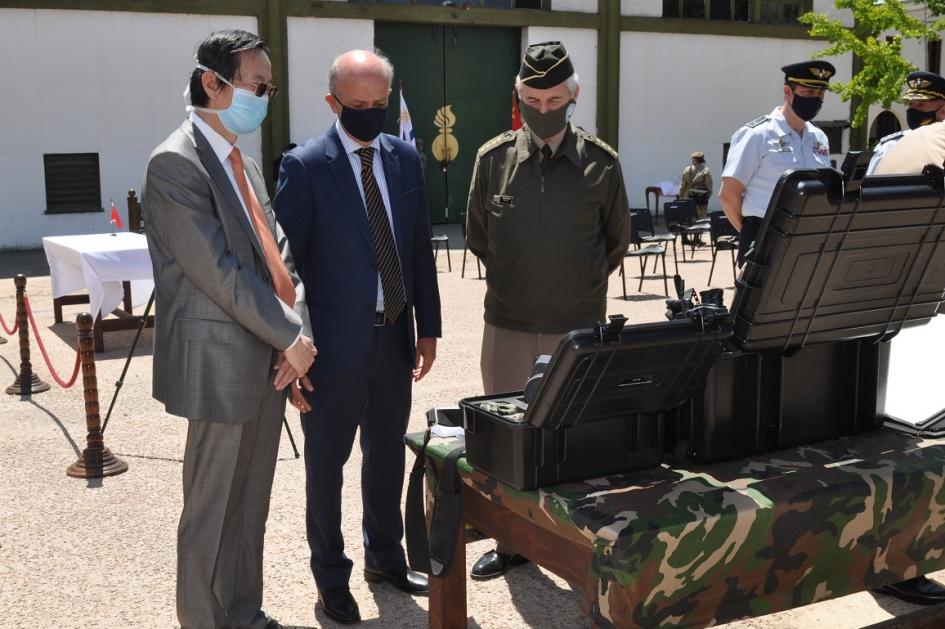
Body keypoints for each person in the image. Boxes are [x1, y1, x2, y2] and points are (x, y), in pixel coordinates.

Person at [141, 29, 316, 629]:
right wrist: (291, 337)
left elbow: (279, 255)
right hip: (219, 363)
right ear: (212, 83)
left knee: (250, 506)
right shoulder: (175, 163)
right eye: (256, 85)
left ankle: (243, 612)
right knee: (210, 511)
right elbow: (219, 271)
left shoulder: (238, 157)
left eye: (269, 88)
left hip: (269, 358)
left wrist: (297, 336)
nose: (264, 97)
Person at [274, 49, 442, 625]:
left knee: (385, 457)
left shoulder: (403, 157)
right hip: (330, 350)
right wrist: (293, 347)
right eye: (357, 105)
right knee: (326, 465)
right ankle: (330, 578)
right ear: (332, 103)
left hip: (394, 337)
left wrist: (429, 327)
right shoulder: (305, 166)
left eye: (379, 104)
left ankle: (385, 558)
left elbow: (418, 245)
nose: (370, 113)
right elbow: (285, 268)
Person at [465, 41, 629, 580]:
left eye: (554, 98)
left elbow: (615, 243)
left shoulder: (602, 165)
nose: (543, 109)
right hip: (509, 324)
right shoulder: (492, 161)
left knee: (574, 436)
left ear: (573, 95)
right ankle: (511, 542)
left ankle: (577, 544)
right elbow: (479, 237)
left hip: (575, 329)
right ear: (519, 96)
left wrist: (574, 288)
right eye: (533, 99)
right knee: (507, 439)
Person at [718, 60, 834, 265]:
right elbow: (729, 193)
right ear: (787, 92)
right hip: (765, 235)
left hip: (808, 236)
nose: (815, 100)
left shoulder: (819, 137)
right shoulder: (758, 134)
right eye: (808, 93)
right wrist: (755, 233)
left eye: (820, 95)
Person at [866, 71, 945, 175]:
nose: (913, 110)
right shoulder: (889, 147)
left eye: (921, 104)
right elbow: (870, 185)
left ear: (943, 111)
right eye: (911, 104)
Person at [679, 151, 713, 218]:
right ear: (702, 159)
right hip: (700, 198)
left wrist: (681, 197)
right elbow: (709, 186)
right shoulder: (706, 170)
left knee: (689, 219)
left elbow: (682, 185)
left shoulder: (687, 169)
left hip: (688, 197)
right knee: (701, 219)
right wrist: (707, 196)